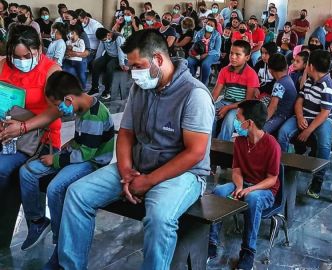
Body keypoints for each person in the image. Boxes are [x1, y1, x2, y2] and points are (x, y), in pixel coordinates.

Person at [57, 29, 214, 270]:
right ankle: (70, 266)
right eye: (130, 66)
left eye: (137, 66)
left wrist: (149, 180)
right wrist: (127, 171)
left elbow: (195, 153)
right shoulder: (140, 88)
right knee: (77, 194)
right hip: (139, 165)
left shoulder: (194, 94)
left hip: (184, 173)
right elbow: (127, 133)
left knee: (160, 218)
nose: (132, 73)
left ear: (158, 60)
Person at [19, 71, 114, 267]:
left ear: (69, 99)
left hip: (92, 163)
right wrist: (68, 145)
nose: (58, 110)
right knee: (27, 173)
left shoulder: (95, 115)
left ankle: (60, 242)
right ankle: (37, 222)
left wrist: (55, 160)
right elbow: (81, 141)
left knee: (56, 188)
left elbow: (86, 154)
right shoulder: (81, 108)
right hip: (77, 155)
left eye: (57, 105)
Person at [207, 100, 281, 270]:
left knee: (253, 198)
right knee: (218, 191)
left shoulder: (272, 145)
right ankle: (211, 242)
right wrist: (240, 187)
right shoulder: (240, 141)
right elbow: (237, 170)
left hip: (265, 190)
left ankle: (248, 251)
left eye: (239, 117)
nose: (236, 121)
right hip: (244, 184)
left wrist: (249, 189)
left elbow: (272, 179)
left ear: (249, 122)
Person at [0, 25, 62, 208]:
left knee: (1, 169)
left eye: (27, 56)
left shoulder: (52, 71)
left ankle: (5, 213)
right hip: (6, 132)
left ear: (39, 49)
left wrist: (22, 127)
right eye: (16, 57)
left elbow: (57, 110)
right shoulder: (3, 65)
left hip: (39, 139)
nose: (21, 61)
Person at [277, 49, 332, 199]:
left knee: (324, 144)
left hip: (322, 121)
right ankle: (280, 171)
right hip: (304, 116)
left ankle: (318, 181)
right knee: (283, 132)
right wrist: (300, 116)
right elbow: (299, 101)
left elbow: (324, 113)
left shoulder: (327, 86)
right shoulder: (310, 80)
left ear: (311, 66)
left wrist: (308, 130)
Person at [211, 40, 259, 141]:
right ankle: (208, 143)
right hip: (225, 101)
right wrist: (209, 105)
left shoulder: (251, 74)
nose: (233, 57)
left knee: (229, 121)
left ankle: (221, 146)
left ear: (247, 57)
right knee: (209, 114)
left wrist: (228, 108)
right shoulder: (224, 70)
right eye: (231, 53)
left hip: (241, 105)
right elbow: (215, 93)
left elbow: (247, 101)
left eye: (238, 54)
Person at [89, 28, 127, 100]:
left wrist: (122, 63)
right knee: (95, 63)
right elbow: (100, 50)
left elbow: (121, 51)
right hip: (109, 55)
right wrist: (96, 60)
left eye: (104, 39)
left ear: (108, 34)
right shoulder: (103, 39)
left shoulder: (118, 37)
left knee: (109, 66)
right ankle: (95, 88)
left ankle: (107, 91)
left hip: (119, 57)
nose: (104, 41)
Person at [263, 54, 297, 134]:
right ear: (286, 66)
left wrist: (261, 121)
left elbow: (273, 107)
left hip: (281, 116)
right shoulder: (288, 79)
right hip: (286, 114)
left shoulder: (279, 84)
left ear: (270, 70)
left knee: (260, 131)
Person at [187, 17, 221, 85]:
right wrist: (192, 51)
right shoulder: (199, 33)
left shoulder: (217, 35)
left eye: (212, 25)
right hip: (200, 54)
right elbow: (195, 45)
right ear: (205, 24)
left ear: (214, 27)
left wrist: (206, 54)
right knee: (189, 61)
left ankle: (203, 84)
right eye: (208, 24)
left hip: (213, 54)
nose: (209, 26)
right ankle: (192, 80)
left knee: (205, 64)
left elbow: (217, 50)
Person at [63, 24, 87, 90]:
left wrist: (72, 48)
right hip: (68, 60)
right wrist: (70, 51)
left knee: (81, 74)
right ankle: (69, 87)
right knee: (65, 73)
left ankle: (84, 87)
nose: (69, 35)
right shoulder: (68, 42)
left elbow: (82, 50)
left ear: (75, 33)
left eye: (71, 33)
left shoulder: (80, 41)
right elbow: (66, 51)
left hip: (78, 61)